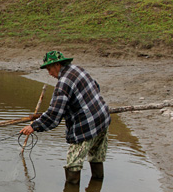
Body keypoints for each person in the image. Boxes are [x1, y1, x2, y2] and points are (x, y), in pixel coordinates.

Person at [20, 50, 110, 184]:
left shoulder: (63, 84)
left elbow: (53, 116)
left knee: (73, 164)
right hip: (102, 119)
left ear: (58, 65)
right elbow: (95, 86)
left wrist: (33, 126)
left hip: (86, 127)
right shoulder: (78, 69)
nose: (49, 73)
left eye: (50, 69)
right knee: (96, 157)